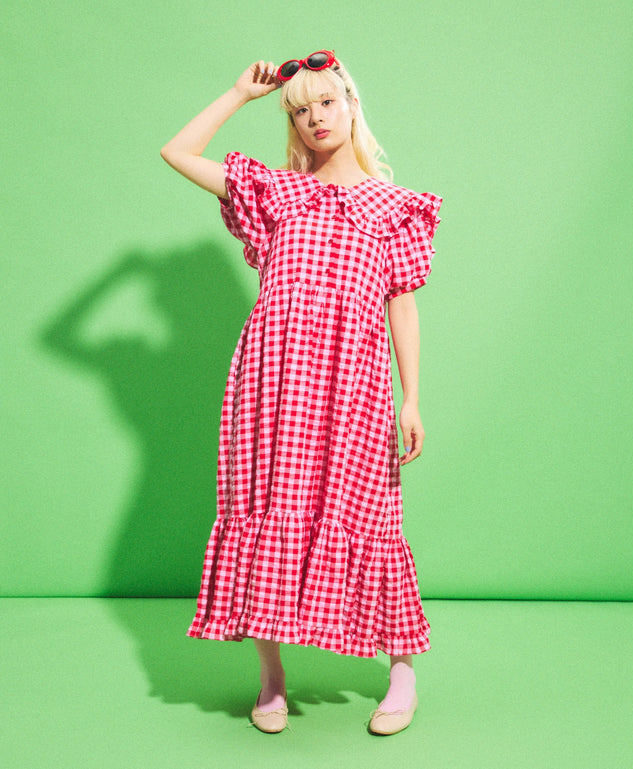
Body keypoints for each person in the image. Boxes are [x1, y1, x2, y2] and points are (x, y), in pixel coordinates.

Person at [160, 50, 442, 735]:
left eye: (326, 102)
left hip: (354, 382)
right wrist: (239, 93)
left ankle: (402, 671)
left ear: (351, 104)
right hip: (271, 379)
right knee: (266, 508)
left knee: (371, 515)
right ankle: (271, 677)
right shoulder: (275, 192)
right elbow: (178, 152)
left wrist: (411, 398)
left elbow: (401, 304)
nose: (315, 118)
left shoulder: (396, 208)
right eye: (300, 110)